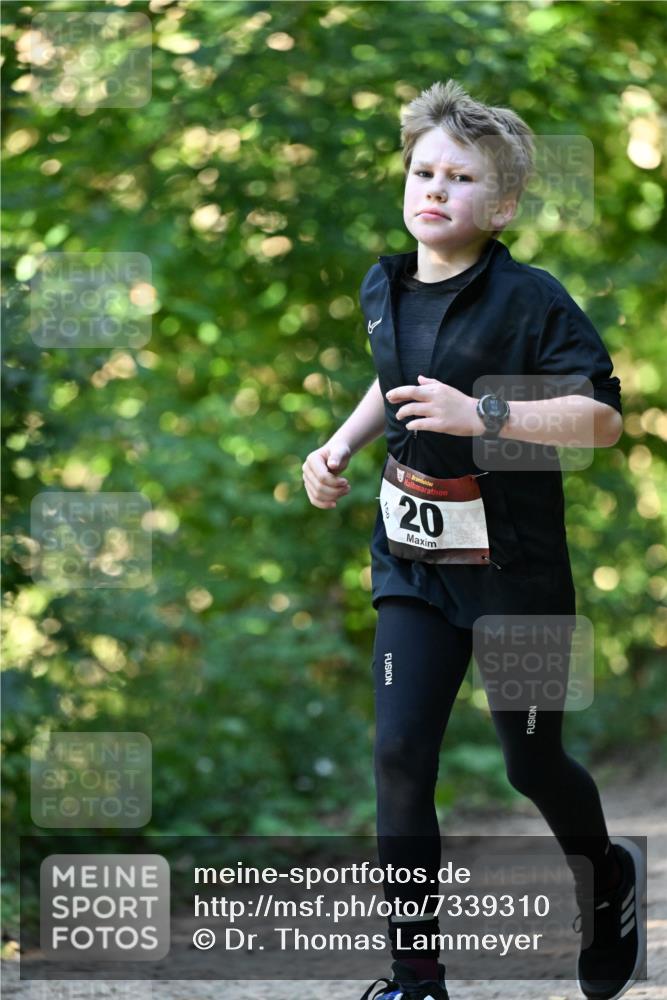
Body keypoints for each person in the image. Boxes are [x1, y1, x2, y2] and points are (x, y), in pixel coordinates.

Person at [301, 79, 644, 1000]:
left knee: (531, 760)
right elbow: (393, 380)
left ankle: (603, 875)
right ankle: (416, 980)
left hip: (517, 575)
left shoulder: (532, 300)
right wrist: (337, 445)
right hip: (413, 565)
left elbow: (601, 421)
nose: (435, 189)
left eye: (459, 178)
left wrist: (480, 410)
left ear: (500, 206)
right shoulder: (385, 285)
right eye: (423, 170)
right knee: (400, 753)